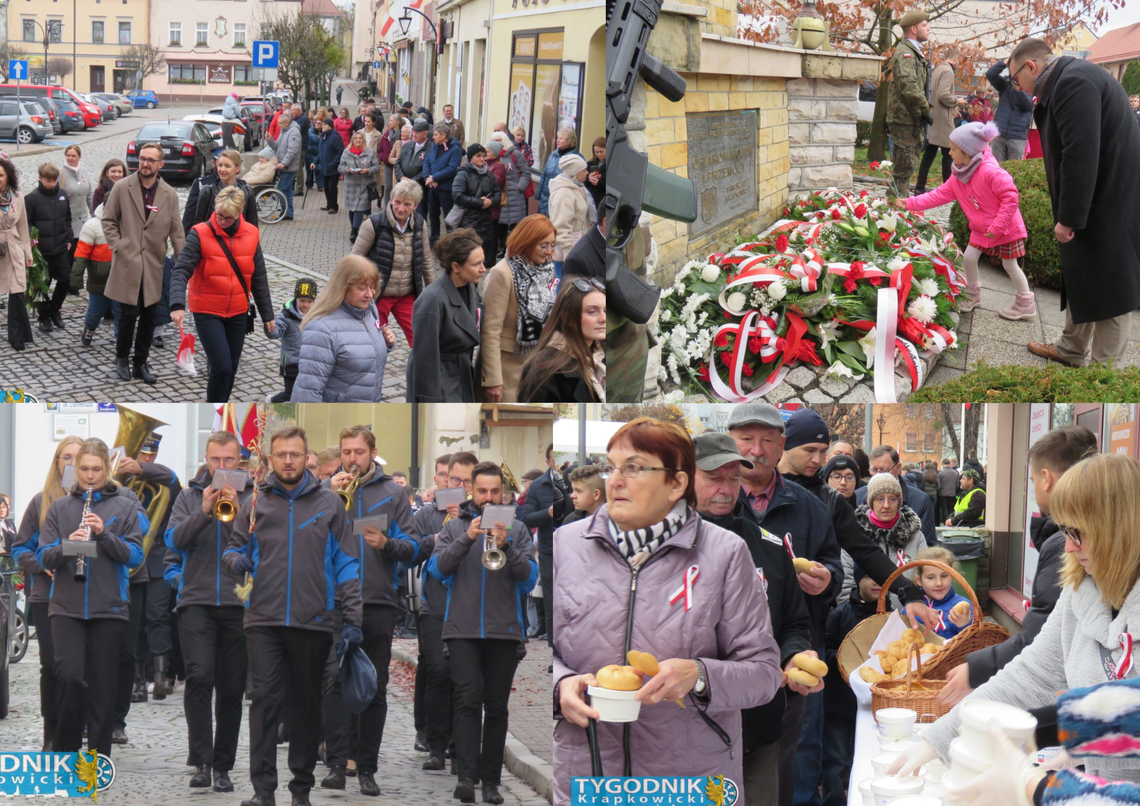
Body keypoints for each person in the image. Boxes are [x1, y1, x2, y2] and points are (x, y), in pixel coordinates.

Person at [553, 419, 784, 806]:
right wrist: (561, 683)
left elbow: (763, 673)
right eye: (612, 466)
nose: (615, 481)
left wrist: (699, 676)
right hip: (588, 769)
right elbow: (544, 650)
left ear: (677, 484)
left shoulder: (725, 553)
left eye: (635, 467)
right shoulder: (566, 543)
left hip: (691, 779)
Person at [891, 452, 1140, 785]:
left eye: (1077, 532)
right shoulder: (1080, 592)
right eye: (1064, 531)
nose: (1067, 548)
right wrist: (938, 738)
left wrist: (1052, 747)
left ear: (1118, 528)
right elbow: (1033, 675)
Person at [731, 404, 937, 806]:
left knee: (799, 743)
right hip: (731, 646)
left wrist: (840, 579)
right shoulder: (720, 497)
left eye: (823, 452)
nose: (819, 460)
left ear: (778, 445)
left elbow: (856, 552)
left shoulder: (822, 502)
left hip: (797, 640)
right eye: (811, 450)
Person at [222, 426, 363, 806]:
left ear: (306, 458)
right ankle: (262, 790)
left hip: (313, 620)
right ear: (270, 458)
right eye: (281, 454)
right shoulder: (255, 503)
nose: (288, 460)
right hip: (263, 619)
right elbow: (233, 548)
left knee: (305, 705)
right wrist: (237, 560)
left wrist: (352, 620)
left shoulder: (330, 503)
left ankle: (300, 789)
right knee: (265, 700)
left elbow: (347, 564)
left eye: (295, 455)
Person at [691, 431, 813, 806]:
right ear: (683, 478)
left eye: (733, 478)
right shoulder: (665, 550)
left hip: (758, 726)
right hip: (690, 729)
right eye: (713, 478)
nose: (726, 489)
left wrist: (793, 655)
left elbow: (794, 621)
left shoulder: (769, 547)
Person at [1005, 41, 1140, 368]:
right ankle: (1071, 349)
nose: (1015, 86)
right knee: (1085, 272)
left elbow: (1080, 156)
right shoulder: (1068, 78)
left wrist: (1069, 218)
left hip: (1112, 198)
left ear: (1031, 67)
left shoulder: (1074, 83)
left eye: (1014, 78)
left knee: (1111, 285)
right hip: (1100, 193)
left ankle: (1104, 375)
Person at [941, 426, 1097, 708]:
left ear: (1046, 479)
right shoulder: (1063, 541)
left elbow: (1043, 643)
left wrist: (977, 670)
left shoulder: (1060, 544)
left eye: (1032, 479)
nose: (1071, 547)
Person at [427, 461, 537, 805]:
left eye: (494, 491)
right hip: (462, 629)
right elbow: (437, 570)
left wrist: (506, 546)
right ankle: (465, 777)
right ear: (471, 492)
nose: (488, 498)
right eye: (482, 491)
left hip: (503, 631)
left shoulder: (517, 529)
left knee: (497, 708)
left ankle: (491, 782)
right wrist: (467, 537)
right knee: (466, 701)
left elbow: (529, 579)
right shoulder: (454, 526)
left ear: (503, 492)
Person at [324, 425, 419, 797]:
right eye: (347, 451)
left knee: (374, 687)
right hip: (333, 600)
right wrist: (324, 495)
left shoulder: (393, 494)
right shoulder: (325, 491)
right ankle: (335, 764)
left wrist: (387, 543)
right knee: (334, 682)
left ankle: (367, 768)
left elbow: (413, 547)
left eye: (359, 452)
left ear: (372, 453)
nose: (352, 458)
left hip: (377, 600)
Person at [37, 438, 145, 756]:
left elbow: (135, 556)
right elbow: (43, 556)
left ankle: (98, 760)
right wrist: (69, 545)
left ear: (106, 470)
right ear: (75, 469)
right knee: (68, 675)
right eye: (83, 469)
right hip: (65, 605)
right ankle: (66, 749)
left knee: (103, 687)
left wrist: (104, 535)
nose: (89, 476)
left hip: (108, 605)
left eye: (96, 469)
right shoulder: (60, 507)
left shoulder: (124, 506)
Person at [164, 430, 252, 792]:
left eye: (227, 461)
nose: (220, 467)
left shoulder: (254, 498)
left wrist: (234, 513)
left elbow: (256, 546)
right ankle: (201, 760)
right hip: (197, 601)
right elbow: (173, 541)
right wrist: (203, 510)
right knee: (200, 677)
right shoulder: (188, 497)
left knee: (231, 688)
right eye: (214, 460)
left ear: (239, 461)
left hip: (239, 601)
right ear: (206, 458)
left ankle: (223, 766)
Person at [903, 121, 1036, 320]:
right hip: (981, 227)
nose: (949, 153)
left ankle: (1026, 304)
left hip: (1006, 227)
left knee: (1010, 266)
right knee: (969, 258)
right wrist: (908, 203)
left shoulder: (990, 171)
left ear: (968, 152)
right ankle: (973, 295)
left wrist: (998, 225)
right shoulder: (959, 175)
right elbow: (937, 196)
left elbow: (1011, 198)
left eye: (954, 149)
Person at [10, 437, 86, 750]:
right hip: (47, 594)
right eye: (65, 457)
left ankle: (75, 728)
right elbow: (20, 548)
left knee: (79, 669)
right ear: (57, 463)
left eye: (77, 457)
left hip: (84, 594)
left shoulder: (99, 500)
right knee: (51, 666)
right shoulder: (41, 501)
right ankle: (52, 732)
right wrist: (42, 565)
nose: (71, 463)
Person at [169, 186, 275, 402]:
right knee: (222, 366)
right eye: (219, 215)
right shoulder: (199, 233)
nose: (222, 221)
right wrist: (177, 305)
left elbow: (259, 277)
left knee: (232, 368)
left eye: (228, 218)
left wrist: (268, 316)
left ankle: (221, 406)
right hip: (207, 310)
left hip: (238, 310)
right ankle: (213, 408)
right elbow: (180, 271)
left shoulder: (252, 234)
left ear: (239, 214)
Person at [412, 451, 475, 770]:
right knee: (436, 671)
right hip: (435, 603)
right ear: (445, 479)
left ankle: (455, 742)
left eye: (467, 481)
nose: (461, 487)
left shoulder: (481, 516)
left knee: (459, 678)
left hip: (467, 607)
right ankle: (434, 743)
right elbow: (411, 550)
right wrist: (442, 532)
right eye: (455, 480)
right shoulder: (428, 514)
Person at [102, 142, 185, 384]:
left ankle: (140, 362)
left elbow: (177, 232)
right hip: (128, 264)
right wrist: (119, 246)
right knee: (128, 315)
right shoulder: (122, 187)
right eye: (142, 159)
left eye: (150, 160)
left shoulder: (169, 194)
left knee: (150, 316)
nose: (144, 163)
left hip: (154, 266)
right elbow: (108, 221)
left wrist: (181, 265)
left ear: (161, 164)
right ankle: (121, 358)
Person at [479, 215, 559, 402]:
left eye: (552, 245)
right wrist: (492, 380)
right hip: (508, 369)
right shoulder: (502, 273)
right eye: (543, 245)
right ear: (527, 242)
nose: (549, 252)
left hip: (537, 367)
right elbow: (490, 331)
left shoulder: (547, 270)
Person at [291, 254, 391, 402]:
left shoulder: (369, 310)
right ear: (343, 287)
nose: (370, 294)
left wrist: (386, 343)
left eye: (372, 287)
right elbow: (308, 392)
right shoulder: (321, 329)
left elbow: (361, 354)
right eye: (362, 288)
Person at [351, 177, 436, 349]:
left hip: (407, 294)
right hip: (378, 295)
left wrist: (435, 292)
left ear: (415, 206)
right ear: (391, 200)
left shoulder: (420, 224)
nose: (401, 208)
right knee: (374, 343)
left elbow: (426, 259)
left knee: (422, 339)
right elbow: (354, 261)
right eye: (397, 202)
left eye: (407, 204)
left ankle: (421, 374)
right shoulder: (374, 224)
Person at [821, 567, 881, 806]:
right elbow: (824, 651)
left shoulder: (890, 616)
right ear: (857, 580)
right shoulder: (839, 615)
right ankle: (834, 800)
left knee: (868, 756)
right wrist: (848, 660)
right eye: (869, 576)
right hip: (839, 700)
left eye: (880, 578)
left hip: (874, 702)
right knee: (835, 757)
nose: (876, 582)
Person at [406, 228, 484, 402]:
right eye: (476, 264)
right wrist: (429, 399)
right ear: (456, 267)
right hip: (440, 380)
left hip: (460, 375)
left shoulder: (469, 288)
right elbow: (424, 358)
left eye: (483, 262)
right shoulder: (432, 300)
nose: (483, 269)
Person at [517, 277, 606, 402]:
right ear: (568, 318)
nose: (603, 318)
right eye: (592, 312)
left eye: (605, 310)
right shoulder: (543, 369)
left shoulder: (601, 357)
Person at [519, 443, 567, 659]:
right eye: (552, 460)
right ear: (547, 462)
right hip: (549, 550)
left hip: (572, 549)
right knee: (551, 603)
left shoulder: (569, 482)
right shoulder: (537, 487)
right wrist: (546, 514)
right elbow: (526, 517)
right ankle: (554, 654)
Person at [886, 11, 932, 198]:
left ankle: (897, 208)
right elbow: (909, 85)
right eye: (924, 25)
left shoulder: (914, 52)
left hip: (911, 118)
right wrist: (926, 109)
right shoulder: (905, 53)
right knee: (904, 167)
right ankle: (894, 210)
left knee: (908, 165)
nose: (928, 28)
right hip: (905, 119)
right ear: (913, 29)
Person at [854, 446, 938, 545]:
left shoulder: (920, 500)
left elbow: (927, 545)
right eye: (874, 470)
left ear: (898, 468)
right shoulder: (857, 496)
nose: (878, 475)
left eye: (883, 470)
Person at [24, 163, 73, 334]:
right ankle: (44, 317)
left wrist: (68, 237)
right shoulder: (31, 198)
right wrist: (32, 236)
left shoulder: (63, 195)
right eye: (48, 180)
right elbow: (27, 222)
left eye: (54, 180)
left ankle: (54, 310)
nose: (52, 183)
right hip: (41, 252)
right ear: (40, 178)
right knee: (41, 286)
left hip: (60, 248)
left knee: (65, 280)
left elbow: (68, 218)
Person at [914, 49, 962, 195]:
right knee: (948, 155)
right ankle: (948, 190)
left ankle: (919, 187)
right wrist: (957, 101)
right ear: (955, 59)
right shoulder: (948, 72)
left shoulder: (937, 70)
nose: (959, 65)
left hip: (933, 118)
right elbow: (943, 94)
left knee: (928, 156)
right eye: (959, 62)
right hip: (943, 121)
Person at [184, 151, 261, 234]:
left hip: (238, 241)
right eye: (220, 165)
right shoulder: (208, 191)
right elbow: (198, 224)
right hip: (213, 241)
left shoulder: (247, 192)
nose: (222, 169)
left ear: (237, 168)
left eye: (227, 166)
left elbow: (253, 225)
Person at [268, 279, 318, 403]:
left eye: (309, 301)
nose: (305, 305)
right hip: (291, 362)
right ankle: (272, 401)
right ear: (295, 299)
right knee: (290, 395)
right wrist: (271, 329)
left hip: (309, 362)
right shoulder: (287, 315)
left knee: (306, 394)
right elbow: (276, 332)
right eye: (302, 301)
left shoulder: (317, 315)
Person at [451, 143, 501, 263]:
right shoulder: (463, 173)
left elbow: (498, 193)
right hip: (468, 221)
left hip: (486, 221)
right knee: (469, 256)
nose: (482, 159)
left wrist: (491, 202)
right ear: (470, 158)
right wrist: (480, 203)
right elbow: (457, 196)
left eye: (484, 155)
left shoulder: (489, 174)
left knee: (484, 257)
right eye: (478, 156)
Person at [548, 153, 594, 283]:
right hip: (567, 251)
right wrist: (569, 255)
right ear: (574, 173)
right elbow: (560, 226)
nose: (587, 172)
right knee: (563, 282)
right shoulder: (564, 193)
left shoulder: (577, 187)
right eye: (583, 170)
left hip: (577, 246)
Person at [911, 546, 973, 639]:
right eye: (931, 578)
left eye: (944, 576)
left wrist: (965, 626)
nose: (939, 583)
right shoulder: (912, 607)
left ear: (952, 575)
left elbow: (975, 643)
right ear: (919, 580)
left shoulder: (964, 606)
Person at [985, 59, 1034, 161]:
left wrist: (1017, 87)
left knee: (1015, 170)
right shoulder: (1006, 83)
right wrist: (1004, 62)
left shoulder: (1030, 85)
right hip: (999, 134)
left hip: (1017, 137)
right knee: (997, 169)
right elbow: (990, 74)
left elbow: (1028, 105)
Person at [423, 123, 463, 243]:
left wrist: (435, 177)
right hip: (432, 187)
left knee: (448, 216)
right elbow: (427, 162)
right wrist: (428, 178)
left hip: (446, 188)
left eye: (435, 134)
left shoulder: (455, 149)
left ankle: (451, 241)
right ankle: (434, 239)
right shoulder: (434, 146)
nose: (433, 137)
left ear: (443, 135)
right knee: (433, 215)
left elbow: (452, 168)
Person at [340, 130, 380, 243]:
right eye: (356, 138)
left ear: (363, 140)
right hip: (351, 185)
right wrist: (347, 170)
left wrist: (368, 170)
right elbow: (340, 167)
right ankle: (354, 228)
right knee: (352, 209)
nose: (358, 140)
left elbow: (376, 167)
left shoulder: (370, 152)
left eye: (360, 138)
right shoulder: (346, 152)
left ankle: (354, 230)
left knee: (360, 208)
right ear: (352, 140)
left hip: (364, 184)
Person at [490, 131, 529, 240]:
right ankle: (502, 247)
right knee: (499, 222)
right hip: (498, 194)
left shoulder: (515, 154)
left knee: (514, 224)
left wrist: (519, 187)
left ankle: (512, 248)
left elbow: (526, 172)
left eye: (499, 140)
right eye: (494, 141)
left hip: (514, 194)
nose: (497, 143)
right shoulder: (492, 155)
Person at [61, 145, 93, 265]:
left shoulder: (84, 171)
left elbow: (89, 194)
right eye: (68, 155)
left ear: (79, 157)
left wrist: (94, 214)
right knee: (71, 260)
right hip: (69, 225)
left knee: (83, 260)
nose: (70, 158)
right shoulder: (61, 173)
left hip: (84, 224)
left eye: (73, 156)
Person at [396, 120, 431, 209]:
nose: (414, 135)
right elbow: (398, 163)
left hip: (419, 187)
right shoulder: (407, 145)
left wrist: (413, 180)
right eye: (413, 132)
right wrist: (401, 177)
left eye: (417, 132)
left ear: (425, 134)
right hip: (403, 185)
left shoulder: (431, 148)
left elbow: (428, 168)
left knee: (418, 212)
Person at [273, 112, 302, 221]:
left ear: (287, 123)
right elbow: (276, 146)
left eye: (280, 123)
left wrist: (284, 163)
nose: (278, 125)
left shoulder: (293, 132)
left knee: (282, 188)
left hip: (289, 167)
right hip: (284, 166)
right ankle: (288, 212)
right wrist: (269, 139)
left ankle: (286, 211)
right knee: (287, 190)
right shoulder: (283, 131)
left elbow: (292, 151)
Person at [316, 118, 346, 214]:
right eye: (322, 124)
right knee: (326, 187)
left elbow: (340, 151)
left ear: (330, 126)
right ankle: (329, 205)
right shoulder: (322, 137)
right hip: (325, 167)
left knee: (332, 187)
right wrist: (314, 162)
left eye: (325, 124)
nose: (323, 126)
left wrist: (333, 163)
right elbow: (320, 152)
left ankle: (334, 206)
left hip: (333, 168)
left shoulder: (335, 137)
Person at [936, 458, 959, 523]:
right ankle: (951, 521)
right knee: (951, 509)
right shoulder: (955, 473)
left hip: (942, 494)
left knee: (944, 509)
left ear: (943, 464)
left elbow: (938, 484)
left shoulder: (941, 473)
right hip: (952, 493)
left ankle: (945, 522)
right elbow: (957, 485)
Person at [585, 136, 606, 208]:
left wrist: (598, 183)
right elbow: (582, 180)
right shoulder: (590, 164)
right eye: (596, 152)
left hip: (603, 200)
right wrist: (588, 179)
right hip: (590, 199)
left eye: (601, 152)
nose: (599, 154)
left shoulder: (612, 165)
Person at [304, 114, 323, 192]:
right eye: (316, 123)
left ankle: (320, 185)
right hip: (309, 152)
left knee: (319, 169)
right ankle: (309, 183)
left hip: (318, 153)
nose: (317, 125)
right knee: (309, 170)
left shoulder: (323, 133)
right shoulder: (309, 132)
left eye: (319, 123)